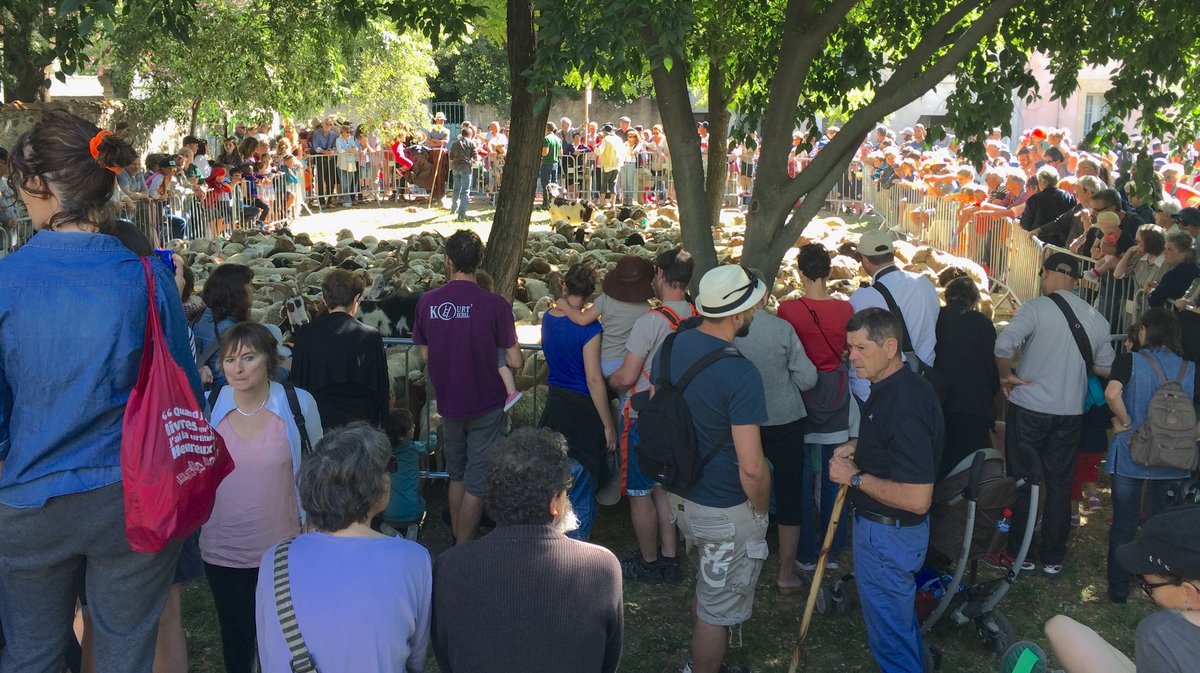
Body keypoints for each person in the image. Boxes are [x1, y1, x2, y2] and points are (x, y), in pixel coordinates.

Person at [0, 111, 201, 673]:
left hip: (30, 497)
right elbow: (186, 395)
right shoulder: (148, 277)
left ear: (38, 183)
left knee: (31, 657)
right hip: (130, 495)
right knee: (124, 653)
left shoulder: (7, 281)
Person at [432, 428, 623, 673]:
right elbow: (607, 662)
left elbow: (447, 657)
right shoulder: (602, 567)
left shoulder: (449, 567)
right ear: (554, 502)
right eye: (566, 488)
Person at [655, 264, 770, 673]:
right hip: (724, 507)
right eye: (752, 307)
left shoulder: (671, 346)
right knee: (716, 611)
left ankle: (700, 660)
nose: (755, 313)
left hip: (681, 496)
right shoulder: (740, 372)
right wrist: (760, 509)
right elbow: (751, 466)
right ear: (738, 314)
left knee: (708, 589)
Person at [255, 423, 431, 673]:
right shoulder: (413, 560)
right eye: (389, 466)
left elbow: (268, 653)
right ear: (380, 483)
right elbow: (415, 660)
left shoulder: (274, 559)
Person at [203, 322, 323, 673]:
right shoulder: (212, 404)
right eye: (229, 360)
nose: (238, 368)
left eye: (248, 358)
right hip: (223, 547)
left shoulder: (297, 403)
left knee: (287, 638)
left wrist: (316, 518)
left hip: (284, 547)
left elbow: (317, 465)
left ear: (269, 360)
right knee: (236, 635)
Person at [828, 307, 943, 673]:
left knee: (890, 636)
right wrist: (861, 447)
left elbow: (917, 499)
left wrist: (854, 477)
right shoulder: (891, 386)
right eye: (850, 347)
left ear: (890, 347)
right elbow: (897, 447)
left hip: (888, 538)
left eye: (861, 348)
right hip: (887, 535)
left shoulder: (904, 404)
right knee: (895, 623)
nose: (852, 356)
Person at [989, 252, 1115, 576]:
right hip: (1070, 410)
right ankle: (1053, 556)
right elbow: (1106, 366)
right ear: (1076, 280)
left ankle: (1021, 552)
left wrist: (1005, 375)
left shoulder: (1035, 308)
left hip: (1029, 406)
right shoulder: (1097, 319)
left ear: (1045, 273)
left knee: (1024, 479)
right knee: (1059, 481)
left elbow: (1003, 345)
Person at [413, 230, 521, 545]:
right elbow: (515, 359)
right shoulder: (496, 305)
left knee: (456, 474)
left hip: (448, 403)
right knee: (477, 479)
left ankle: (455, 540)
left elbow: (425, 355)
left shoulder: (428, 302)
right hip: (487, 403)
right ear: (481, 259)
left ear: (447, 260)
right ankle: (463, 548)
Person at [609, 247, 697, 584]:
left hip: (643, 416)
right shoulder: (698, 316)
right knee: (665, 488)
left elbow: (627, 376)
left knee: (639, 493)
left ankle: (648, 560)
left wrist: (609, 381)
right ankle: (670, 558)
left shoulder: (650, 321)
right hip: (681, 416)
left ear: (659, 274)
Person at [1103, 308, 1195, 603]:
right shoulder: (1191, 368)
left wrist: (1125, 420)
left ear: (1145, 330)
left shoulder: (1129, 360)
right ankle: (1157, 586)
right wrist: (1189, 436)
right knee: (1161, 525)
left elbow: (1112, 393)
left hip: (1132, 452)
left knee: (1124, 522)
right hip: (1173, 458)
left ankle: (1118, 589)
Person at [776, 244, 856, 573]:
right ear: (828, 271)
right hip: (836, 393)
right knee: (834, 474)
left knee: (801, 477)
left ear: (801, 272)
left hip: (801, 395)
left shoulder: (787, 310)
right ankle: (831, 549)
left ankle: (805, 550)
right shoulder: (846, 309)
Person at [1045, 505, 1200, 673]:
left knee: (1058, 626)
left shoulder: (1162, 636)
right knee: (1059, 626)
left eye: (1149, 585)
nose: (1144, 592)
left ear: (1189, 592)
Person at [734, 285, 817, 593]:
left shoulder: (728, 329)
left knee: (742, 489)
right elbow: (808, 378)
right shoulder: (781, 328)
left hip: (743, 419)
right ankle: (786, 574)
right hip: (785, 418)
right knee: (790, 493)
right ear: (764, 297)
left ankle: (741, 564)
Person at [537, 263, 617, 540]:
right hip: (583, 411)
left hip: (555, 405)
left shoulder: (548, 318)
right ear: (590, 293)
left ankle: (552, 544)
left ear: (564, 285)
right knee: (581, 483)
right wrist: (608, 425)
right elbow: (593, 379)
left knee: (555, 481)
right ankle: (576, 550)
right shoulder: (591, 330)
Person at [289, 269, 390, 429]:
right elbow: (381, 386)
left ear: (324, 299)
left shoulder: (305, 333)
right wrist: (383, 422)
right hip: (360, 422)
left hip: (319, 419)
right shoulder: (370, 336)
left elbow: (298, 380)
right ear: (356, 299)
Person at [848, 229, 939, 400]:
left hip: (882, 389)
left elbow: (856, 344)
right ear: (893, 254)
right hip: (924, 382)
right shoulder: (924, 284)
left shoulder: (862, 297)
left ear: (864, 260)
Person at [933, 276, 999, 477]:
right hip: (973, 405)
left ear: (947, 296)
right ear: (973, 300)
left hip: (939, 401)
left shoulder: (935, 318)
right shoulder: (982, 323)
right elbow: (991, 365)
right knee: (969, 464)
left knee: (940, 459)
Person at [555, 253, 657, 376]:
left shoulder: (606, 299)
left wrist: (564, 306)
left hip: (607, 362)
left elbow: (582, 320)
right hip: (632, 364)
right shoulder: (646, 308)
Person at [191, 263, 255, 389]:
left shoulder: (199, 318)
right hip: (225, 393)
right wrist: (283, 369)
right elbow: (241, 379)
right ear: (237, 290)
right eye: (249, 284)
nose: (254, 290)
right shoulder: (231, 330)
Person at [380, 408, 440, 539]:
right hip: (412, 513)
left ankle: (389, 529)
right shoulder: (413, 448)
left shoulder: (384, 452)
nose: (414, 425)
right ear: (401, 436)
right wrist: (433, 428)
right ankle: (415, 527)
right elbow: (431, 445)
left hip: (388, 514)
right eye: (411, 426)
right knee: (422, 506)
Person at [1020, 166, 1079, 247]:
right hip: (1061, 243)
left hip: (1038, 243)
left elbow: (1025, 224)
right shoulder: (1069, 197)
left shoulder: (1034, 199)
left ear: (1041, 182)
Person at [448, 126, 479, 221]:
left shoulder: (455, 143)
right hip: (465, 168)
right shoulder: (471, 143)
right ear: (470, 134)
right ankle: (462, 213)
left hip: (455, 167)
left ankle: (453, 209)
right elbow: (476, 157)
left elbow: (451, 157)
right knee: (465, 191)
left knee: (456, 189)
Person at [540, 121, 562, 208]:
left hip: (547, 163)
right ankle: (554, 202)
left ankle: (546, 203)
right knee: (554, 184)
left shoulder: (546, 139)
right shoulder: (558, 139)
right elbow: (560, 153)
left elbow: (545, 152)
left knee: (546, 184)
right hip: (555, 163)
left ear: (546, 128)